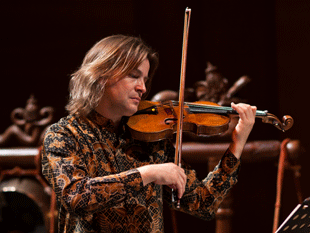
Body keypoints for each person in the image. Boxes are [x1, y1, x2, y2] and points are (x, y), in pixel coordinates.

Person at [41, 35, 257, 233]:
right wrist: (148, 173)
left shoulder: (150, 139)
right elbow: (76, 196)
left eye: (145, 79)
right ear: (101, 75)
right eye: (134, 76)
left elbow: (204, 204)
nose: (142, 87)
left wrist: (238, 142)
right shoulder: (63, 135)